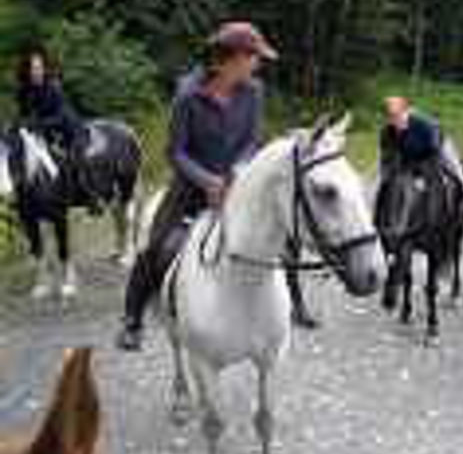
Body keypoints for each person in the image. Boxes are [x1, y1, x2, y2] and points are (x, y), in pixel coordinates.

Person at [115, 21, 316, 352]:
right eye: (254, 57)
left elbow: (252, 141)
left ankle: (291, 307)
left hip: (238, 182)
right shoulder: (187, 95)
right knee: (153, 247)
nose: (258, 63)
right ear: (232, 58)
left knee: (277, 237)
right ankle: (131, 319)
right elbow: (175, 151)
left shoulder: (254, 91)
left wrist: (237, 172)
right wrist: (206, 180)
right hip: (190, 186)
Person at [378, 96, 463, 237]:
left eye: (397, 116)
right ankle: (380, 224)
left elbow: (433, 154)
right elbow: (387, 158)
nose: (394, 121)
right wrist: (388, 175)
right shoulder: (386, 132)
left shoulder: (424, 125)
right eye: (390, 117)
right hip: (410, 158)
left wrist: (421, 175)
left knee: (461, 180)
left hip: (439, 150)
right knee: (387, 185)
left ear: (406, 111)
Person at [9, 48, 99, 212]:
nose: (36, 72)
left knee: (75, 157)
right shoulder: (24, 91)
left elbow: (61, 117)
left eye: (39, 68)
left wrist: (38, 124)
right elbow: (22, 114)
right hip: (43, 132)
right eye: (33, 69)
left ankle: (91, 196)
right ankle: (20, 193)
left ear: (44, 68)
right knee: (17, 152)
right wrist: (16, 125)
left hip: (68, 129)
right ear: (27, 71)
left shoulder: (53, 87)